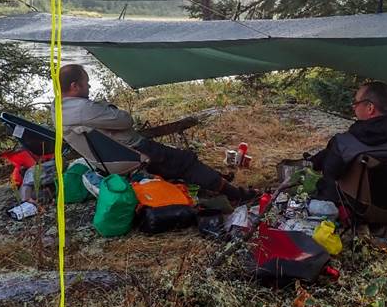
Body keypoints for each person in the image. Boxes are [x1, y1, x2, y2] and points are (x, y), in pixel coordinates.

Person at [55, 64, 257, 203]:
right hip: (134, 152)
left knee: (175, 159)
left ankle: (218, 179)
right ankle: (237, 194)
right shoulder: (84, 109)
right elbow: (126, 119)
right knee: (186, 160)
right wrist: (109, 108)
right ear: (74, 86)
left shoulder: (59, 112)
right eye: (86, 83)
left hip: (109, 160)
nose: (89, 87)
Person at [308, 81, 387, 200]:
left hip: (362, 211)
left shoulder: (345, 142)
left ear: (370, 108)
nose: (353, 107)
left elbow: (330, 175)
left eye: (356, 103)